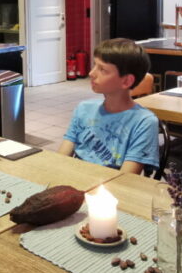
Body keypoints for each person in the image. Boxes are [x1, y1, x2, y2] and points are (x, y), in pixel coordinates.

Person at [58, 38, 159, 174]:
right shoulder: (83, 109)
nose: (91, 74)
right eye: (94, 65)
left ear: (126, 81)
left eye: (102, 70)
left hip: (111, 189)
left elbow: (126, 178)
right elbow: (60, 160)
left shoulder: (144, 122)